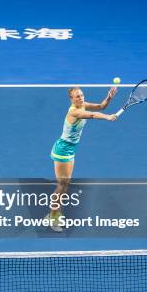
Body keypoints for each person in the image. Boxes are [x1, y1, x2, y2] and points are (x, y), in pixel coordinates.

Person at [46, 86, 118, 231]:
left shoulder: (83, 105)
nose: (81, 98)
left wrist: (109, 97)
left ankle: (55, 213)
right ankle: (52, 216)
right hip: (63, 150)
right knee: (61, 186)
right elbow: (92, 115)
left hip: (71, 149)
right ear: (71, 99)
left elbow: (100, 106)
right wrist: (108, 117)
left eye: (82, 95)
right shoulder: (74, 111)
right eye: (77, 96)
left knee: (65, 185)